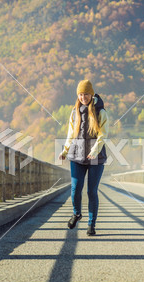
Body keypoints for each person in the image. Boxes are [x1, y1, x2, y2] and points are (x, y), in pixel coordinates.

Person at [58, 80, 109, 236]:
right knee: (75, 190)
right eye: (80, 94)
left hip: (95, 157)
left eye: (86, 94)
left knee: (91, 192)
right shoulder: (75, 112)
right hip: (77, 156)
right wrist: (65, 151)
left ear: (91, 94)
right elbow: (71, 134)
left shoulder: (100, 112)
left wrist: (94, 151)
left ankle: (91, 225)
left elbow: (103, 134)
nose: (83, 97)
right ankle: (76, 213)